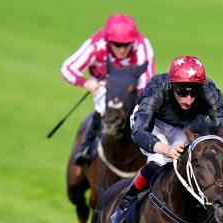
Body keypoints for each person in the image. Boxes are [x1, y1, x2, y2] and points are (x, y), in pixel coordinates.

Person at [110, 55, 223, 223]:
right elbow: (139, 132)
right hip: (152, 123)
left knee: (194, 161)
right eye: (182, 92)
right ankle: (125, 205)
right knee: (160, 160)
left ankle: (210, 212)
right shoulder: (157, 87)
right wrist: (166, 149)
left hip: (185, 126)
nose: (188, 99)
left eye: (194, 93)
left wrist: (209, 148)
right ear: (172, 85)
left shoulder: (210, 91)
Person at [61, 14, 155, 165]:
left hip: (132, 89)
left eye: (127, 44)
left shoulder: (142, 46)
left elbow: (147, 80)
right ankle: (87, 145)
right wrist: (85, 83)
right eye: (117, 44)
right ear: (108, 40)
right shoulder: (96, 45)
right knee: (102, 102)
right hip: (105, 86)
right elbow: (67, 68)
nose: (122, 49)